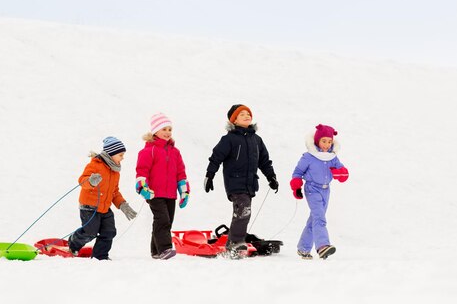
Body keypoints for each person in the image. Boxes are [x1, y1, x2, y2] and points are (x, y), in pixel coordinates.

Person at [204, 104, 279, 257]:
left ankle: (235, 238)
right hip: (235, 183)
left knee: (242, 212)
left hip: (250, 183)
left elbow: (264, 161)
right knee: (244, 210)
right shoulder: (229, 139)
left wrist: (271, 177)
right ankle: (234, 243)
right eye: (242, 114)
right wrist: (210, 175)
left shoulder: (256, 140)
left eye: (248, 114)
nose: (246, 116)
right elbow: (216, 157)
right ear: (234, 121)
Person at [68, 137, 137, 260]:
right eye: (120, 155)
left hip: (105, 208)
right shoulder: (95, 165)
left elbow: (114, 192)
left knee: (109, 232)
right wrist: (91, 181)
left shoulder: (115, 172)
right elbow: (82, 181)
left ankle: (100, 256)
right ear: (111, 154)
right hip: (89, 207)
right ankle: (73, 242)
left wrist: (122, 205)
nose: (123, 158)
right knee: (90, 232)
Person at [290, 124, 349, 260]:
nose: (327, 144)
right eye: (324, 141)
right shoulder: (309, 157)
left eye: (329, 141)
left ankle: (303, 248)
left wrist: (341, 173)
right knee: (320, 218)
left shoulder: (332, 157)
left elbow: (342, 171)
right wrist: (296, 186)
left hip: (326, 190)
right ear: (317, 140)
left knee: (314, 219)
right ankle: (322, 246)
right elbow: (298, 172)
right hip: (312, 189)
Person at [136, 113, 189, 260]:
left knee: (166, 221)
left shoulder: (175, 152)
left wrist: (184, 192)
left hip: (170, 194)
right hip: (154, 193)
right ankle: (165, 249)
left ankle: (155, 251)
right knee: (162, 220)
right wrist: (142, 188)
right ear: (155, 131)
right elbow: (142, 171)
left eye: (169, 129)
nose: (167, 132)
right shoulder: (148, 151)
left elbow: (181, 174)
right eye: (164, 129)